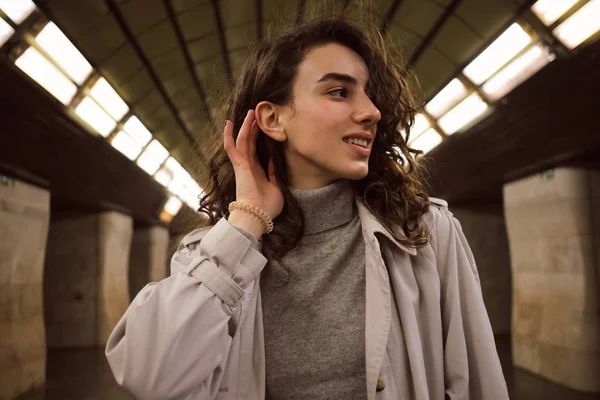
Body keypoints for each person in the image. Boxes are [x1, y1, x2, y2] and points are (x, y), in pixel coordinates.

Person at [105, 18, 509, 400]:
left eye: (369, 94)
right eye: (339, 92)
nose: (371, 111)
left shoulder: (422, 234)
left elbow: (477, 383)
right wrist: (246, 220)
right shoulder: (213, 255)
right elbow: (150, 376)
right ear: (273, 119)